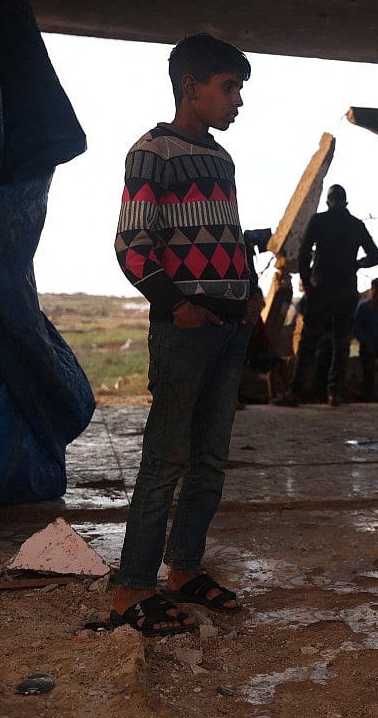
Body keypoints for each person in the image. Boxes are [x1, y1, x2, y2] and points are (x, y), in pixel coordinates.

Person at [110, 33, 261, 636]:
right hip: (187, 330)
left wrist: (246, 296)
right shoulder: (152, 152)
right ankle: (131, 590)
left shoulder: (220, 159)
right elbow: (131, 242)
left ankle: (184, 571)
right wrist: (177, 306)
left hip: (229, 329)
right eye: (229, 88)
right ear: (189, 87)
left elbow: (228, 233)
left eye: (240, 90)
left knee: (209, 460)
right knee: (165, 459)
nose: (237, 102)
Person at [279, 184, 378, 406]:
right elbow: (376, 256)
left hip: (321, 289)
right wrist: (356, 264)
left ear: (328, 202)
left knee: (308, 342)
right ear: (345, 202)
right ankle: (335, 394)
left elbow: (304, 252)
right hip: (346, 291)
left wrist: (307, 282)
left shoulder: (319, 221)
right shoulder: (356, 225)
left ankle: (295, 392)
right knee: (341, 343)